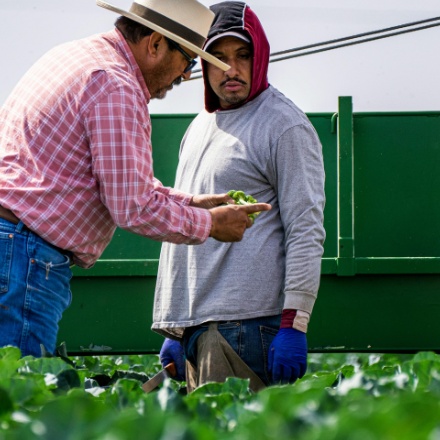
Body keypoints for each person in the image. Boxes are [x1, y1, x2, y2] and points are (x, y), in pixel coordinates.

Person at [0, 0, 271, 358]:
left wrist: (191, 202)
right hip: (16, 252)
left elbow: (116, 181)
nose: (186, 75)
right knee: (7, 396)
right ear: (156, 43)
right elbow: (133, 207)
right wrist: (209, 225)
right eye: (188, 60)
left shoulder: (76, 55)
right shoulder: (117, 85)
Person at [153, 1, 326, 391]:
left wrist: (294, 323)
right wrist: (178, 325)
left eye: (243, 55)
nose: (231, 69)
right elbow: (185, 231)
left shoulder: (284, 124)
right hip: (202, 329)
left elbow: (306, 229)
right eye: (217, 56)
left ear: (260, 56)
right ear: (201, 61)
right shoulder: (199, 127)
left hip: (249, 327)